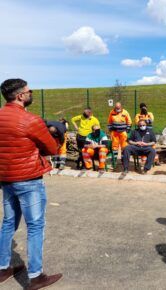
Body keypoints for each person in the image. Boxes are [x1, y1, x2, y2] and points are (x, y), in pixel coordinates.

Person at [0, 79, 62, 289]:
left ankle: (3, 267)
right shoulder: (30, 120)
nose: (31, 93)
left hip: (6, 179)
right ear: (20, 96)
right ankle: (35, 276)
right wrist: (54, 132)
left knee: (8, 223)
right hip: (28, 180)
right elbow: (52, 148)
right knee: (35, 226)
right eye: (28, 91)